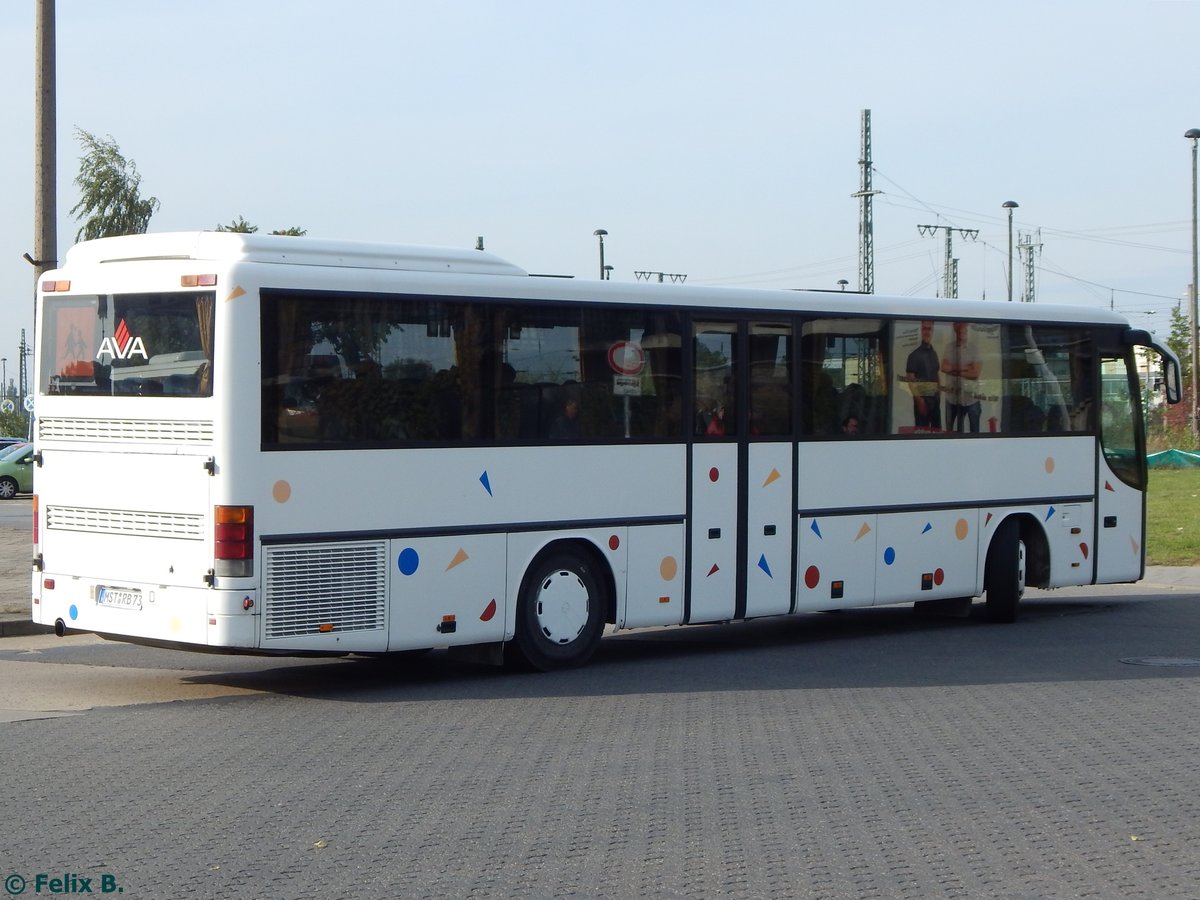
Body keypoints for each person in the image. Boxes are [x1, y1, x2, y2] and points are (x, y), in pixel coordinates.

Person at [941, 321, 982, 432]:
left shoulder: (974, 349)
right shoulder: (949, 347)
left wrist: (954, 370)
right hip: (952, 398)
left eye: (964, 329)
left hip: (972, 399)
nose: (962, 332)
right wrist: (966, 367)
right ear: (955, 329)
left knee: (975, 432)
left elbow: (975, 374)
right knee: (950, 432)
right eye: (959, 329)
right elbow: (944, 368)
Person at [905, 320, 941, 430]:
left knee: (937, 433)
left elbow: (936, 374)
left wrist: (939, 395)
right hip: (923, 402)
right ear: (921, 330)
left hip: (935, 402)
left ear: (933, 331)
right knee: (922, 435)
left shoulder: (934, 353)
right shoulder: (914, 355)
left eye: (929, 329)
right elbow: (911, 381)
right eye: (924, 328)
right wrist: (920, 401)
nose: (927, 332)